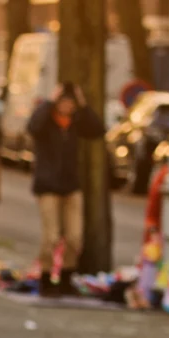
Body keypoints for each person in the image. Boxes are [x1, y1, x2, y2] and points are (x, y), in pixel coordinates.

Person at [26, 82, 104, 298]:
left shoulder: (76, 123)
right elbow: (33, 126)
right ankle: (45, 277)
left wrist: (84, 104)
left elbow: (97, 130)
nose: (68, 107)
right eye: (64, 102)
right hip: (48, 186)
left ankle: (67, 277)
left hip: (71, 186)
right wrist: (49, 102)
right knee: (51, 237)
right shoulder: (46, 122)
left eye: (71, 103)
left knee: (75, 236)